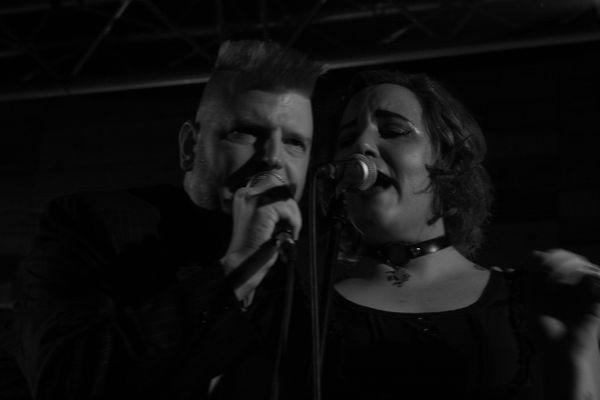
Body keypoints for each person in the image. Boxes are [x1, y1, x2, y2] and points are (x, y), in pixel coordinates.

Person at [13, 40, 323, 399]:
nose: (273, 158)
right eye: (246, 132)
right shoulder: (91, 224)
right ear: (190, 147)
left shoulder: (301, 274)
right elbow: (64, 379)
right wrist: (236, 270)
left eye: (295, 143)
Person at [318, 69, 600, 400]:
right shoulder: (308, 314)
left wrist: (577, 360)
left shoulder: (529, 301)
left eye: (393, 131)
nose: (361, 146)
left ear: (447, 158)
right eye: (346, 140)